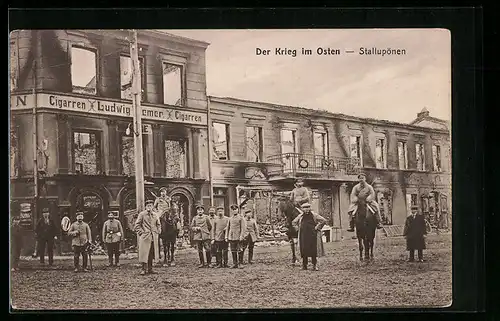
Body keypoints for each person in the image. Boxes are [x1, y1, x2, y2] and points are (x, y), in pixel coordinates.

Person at [292, 203, 327, 271]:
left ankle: (314, 265)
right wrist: (298, 228)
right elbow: (294, 222)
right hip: (303, 236)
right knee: (304, 250)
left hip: (312, 235)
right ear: (302, 209)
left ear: (310, 208)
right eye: (305, 208)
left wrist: (318, 226)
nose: (306, 209)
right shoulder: (301, 216)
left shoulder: (314, 215)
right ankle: (304, 265)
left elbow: (323, 220)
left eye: (308, 207)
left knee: (313, 250)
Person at [134, 200, 162, 275]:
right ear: (146, 207)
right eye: (148, 206)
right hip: (145, 237)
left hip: (153, 237)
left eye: (151, 205)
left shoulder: (155, 215)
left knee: (151, 253)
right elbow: (137, 225)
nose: (150, 207)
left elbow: (158, 224)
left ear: (153, 206)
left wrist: (158, 231)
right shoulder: (142, 214)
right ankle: (143, 269)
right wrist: (142, 232)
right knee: (144, 253)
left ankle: (150, 269)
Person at [225, 204, 246, 269]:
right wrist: (226, 236)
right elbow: (228, 228)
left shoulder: (241, 218)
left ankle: (240, 263)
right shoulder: (230, 218)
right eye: (233, 210)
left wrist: (241, 236)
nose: (234, 211)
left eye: (235, 209)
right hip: (231, 237)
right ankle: (235, 263)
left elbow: (243, 228)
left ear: (238, 210)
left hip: (238, 236)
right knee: (233, 250)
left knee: (240, 250)